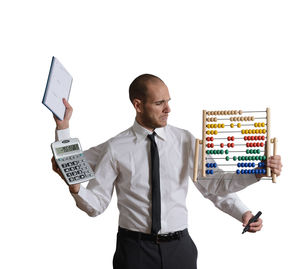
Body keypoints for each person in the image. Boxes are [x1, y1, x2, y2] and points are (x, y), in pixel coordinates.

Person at [51, 74, 282, 269]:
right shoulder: (115, 148)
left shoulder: (186, 141)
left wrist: (254, 178)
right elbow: (95, 201)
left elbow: (214, 184)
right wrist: (75, 183)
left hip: (180, 251)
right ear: (138, 104)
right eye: (160, 102)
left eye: (168, 101)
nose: (168, 109)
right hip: (134, 252)